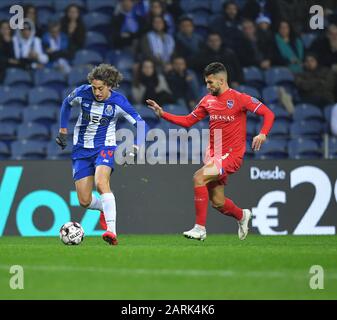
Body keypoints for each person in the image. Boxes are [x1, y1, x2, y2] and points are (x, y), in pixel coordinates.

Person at [147, 62, 275, 241]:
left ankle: (200, 228)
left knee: (199, 177)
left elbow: (268, 114)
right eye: (206, 83)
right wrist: (163, 114)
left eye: (210, 82)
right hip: (213, 154)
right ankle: (242, 215)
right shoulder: (207, 100)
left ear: (221, 81)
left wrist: (262, 133)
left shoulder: (240, 98)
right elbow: (187, 121)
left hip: (232, 154)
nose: (207, 86)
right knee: (218, 202)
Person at [56, 64, 149, 245]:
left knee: (101, 183)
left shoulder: (118, 102)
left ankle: (111, 231)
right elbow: (66, 103)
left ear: (109, 86)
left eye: (101, 88)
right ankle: (104, 208)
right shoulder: (82, 93)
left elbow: (142, 124)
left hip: (105, 147)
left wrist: (136, 147)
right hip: (81, 150)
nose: (97, 92)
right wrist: (62, 129)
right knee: (84, 200)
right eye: (94, 88)